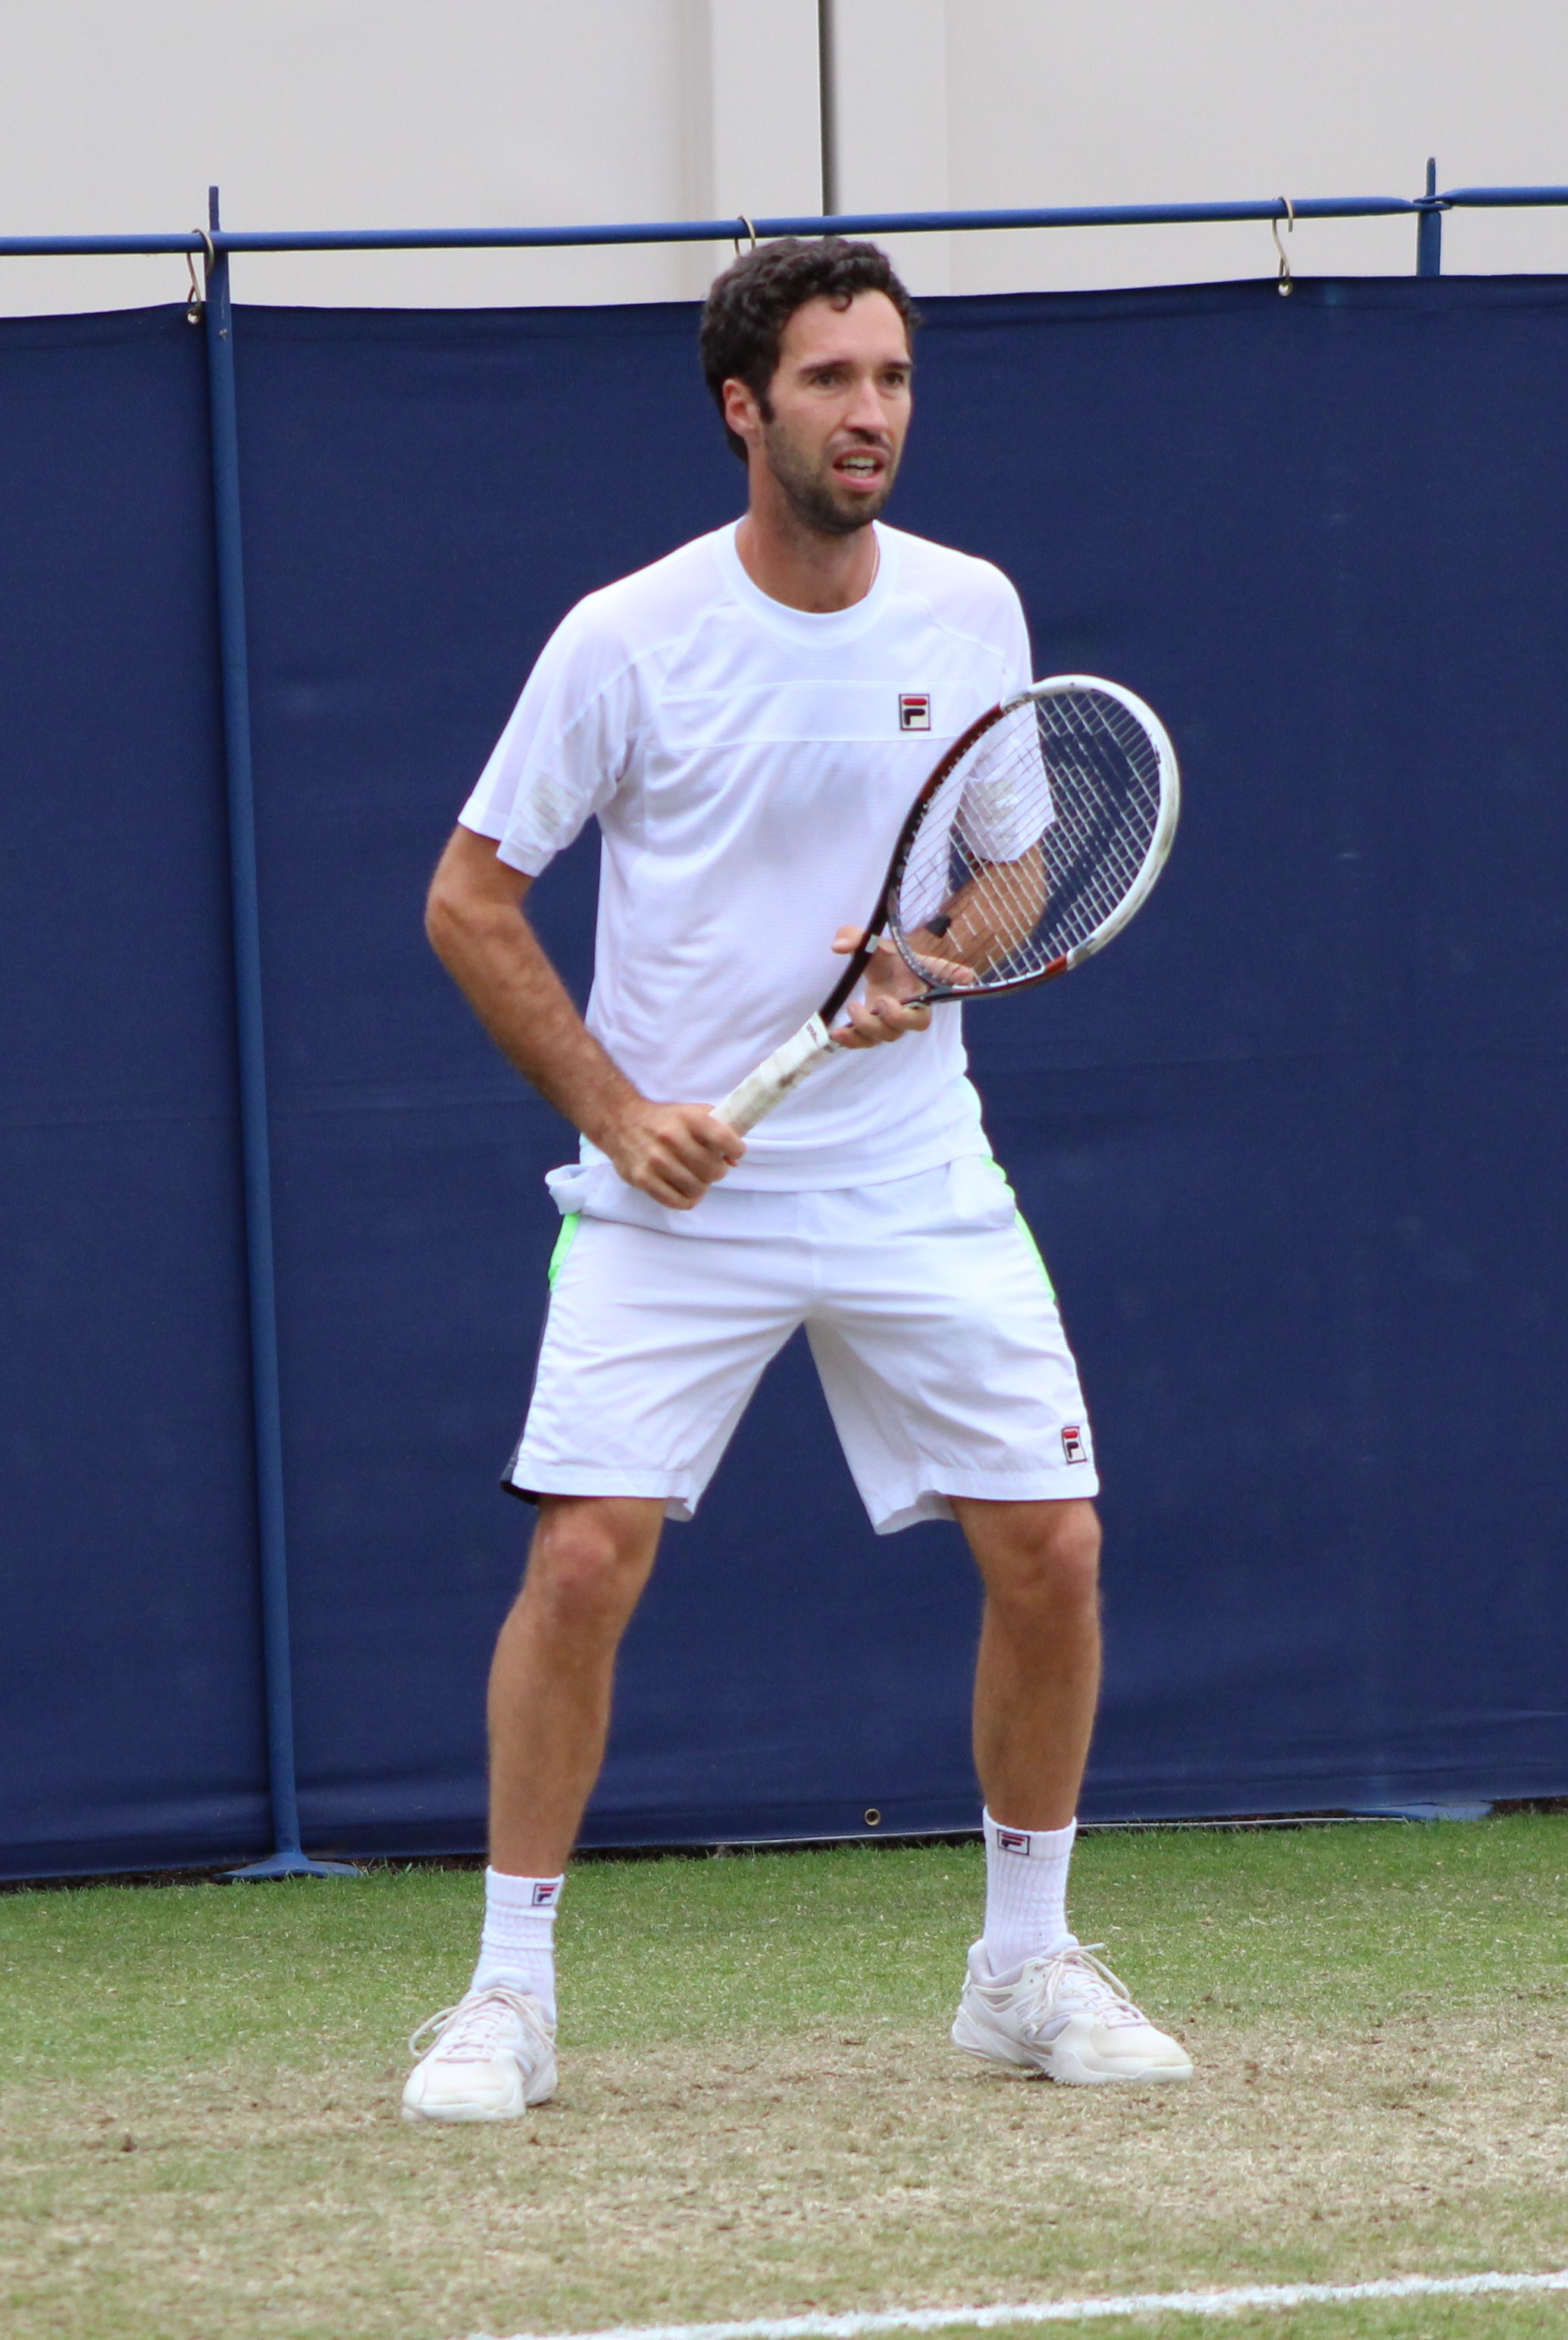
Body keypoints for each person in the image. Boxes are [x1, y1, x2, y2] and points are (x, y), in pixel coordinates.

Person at [403, 236, 1191, 2123]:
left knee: (1056, 1546)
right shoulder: (628, 637)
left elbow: (1013, 867)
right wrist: (618, 1112)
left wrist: (931, 957)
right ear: (742, 407)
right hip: (678, 1189)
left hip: (911, 1168)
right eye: (832, 379)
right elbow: (469, 900)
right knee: (581, 1556)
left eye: (893, 377)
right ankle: (508, 1990)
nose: (871, 412)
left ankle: (1022, 1963)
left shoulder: (971, 609)